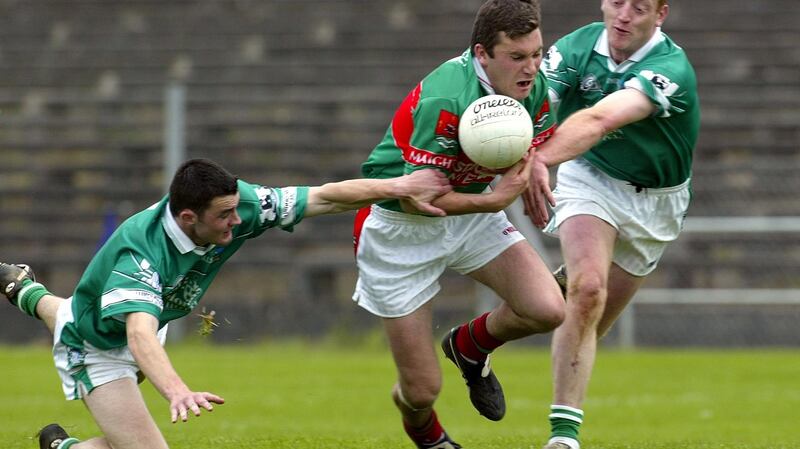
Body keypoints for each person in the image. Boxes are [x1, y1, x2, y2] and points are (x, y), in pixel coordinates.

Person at [0, 157, 452, 449]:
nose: (238, 221)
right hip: (99, 348)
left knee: (125, 436)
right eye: (225, 216)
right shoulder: (138, 253)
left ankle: (27, 295)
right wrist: (178, 392)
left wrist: (400, 185)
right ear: (187, 217)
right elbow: (137, 335)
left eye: (238, 208)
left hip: (137, 327)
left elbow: (324, 196)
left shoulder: (238, 205)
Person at [351, 1, 566, 447]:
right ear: (481, 53)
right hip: (399, 229)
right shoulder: (445, 99)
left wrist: (532, 167)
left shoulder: (535, 89)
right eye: (517, 57)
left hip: (470, 214)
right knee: (422, 390)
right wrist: (496, 201)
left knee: (547, 308)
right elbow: (416, 203)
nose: (530, 69)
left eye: (537, 54)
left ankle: (468, 347)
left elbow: (527, 148)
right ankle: (425, 433)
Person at [521, 1, 700, 448]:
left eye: (638, 7)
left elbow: (602, 117)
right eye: (616, 2)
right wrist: (519, 148)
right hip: (591, 177)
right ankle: (564, 437)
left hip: (656, 204)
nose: (622, 15)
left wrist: (539, 157)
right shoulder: (576, 48)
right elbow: (538, 104)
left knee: (586, 322)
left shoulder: (670, 69)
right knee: (587, 291)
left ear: (660, 14)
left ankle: (474, 342)